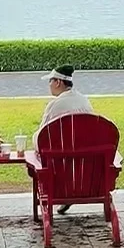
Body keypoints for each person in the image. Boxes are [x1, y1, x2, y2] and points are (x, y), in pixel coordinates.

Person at [38, 65, 94, 214]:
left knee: (39, 158)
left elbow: (40, 138)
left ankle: (62, 195)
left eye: (50, 81)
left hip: (61, 166)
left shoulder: (54, 105)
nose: (49, 85)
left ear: (58, 82)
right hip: (86, 168)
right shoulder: (85, 101)